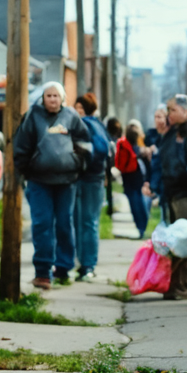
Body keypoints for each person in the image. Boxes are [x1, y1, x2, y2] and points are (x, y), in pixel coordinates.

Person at [13, 82, 92, 289]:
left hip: (67, 181)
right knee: (42, 225)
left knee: (65, 224)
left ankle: (64, 268)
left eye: (56, 95)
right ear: (43, 98)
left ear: (63, 98)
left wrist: (78, 162)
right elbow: (21, 146)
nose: (52, 99)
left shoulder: (71, 116)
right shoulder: (33, 116)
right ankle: (42, 272)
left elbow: (85, 141)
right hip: (39, 182)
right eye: (48, 95)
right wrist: (26, 171)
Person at [142, 94, 187, 300]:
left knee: (183, 240)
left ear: (186, 112)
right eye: (168, 110)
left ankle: (184, 287)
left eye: (172, 110)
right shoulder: (171, 133)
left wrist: (182, 178)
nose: (169, 114)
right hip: (172, 194)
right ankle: (176, 284)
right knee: (174, 242)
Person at [71, 93, 109, 282]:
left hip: (86, 178)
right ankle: (86, 265)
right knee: (87, 222)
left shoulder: (85, 124)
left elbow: (100, 151)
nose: (77, 111)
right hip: (94, 178)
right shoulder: (99, 125)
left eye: (80, 108)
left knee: (85, 223)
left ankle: (86, 264)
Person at [116, 120, 150, 239]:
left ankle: (141, 227)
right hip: (134, 177)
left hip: (133, 178)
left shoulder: (132, 143)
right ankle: (142, 228)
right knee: (137, 202)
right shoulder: (130, 143)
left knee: (137, 203)